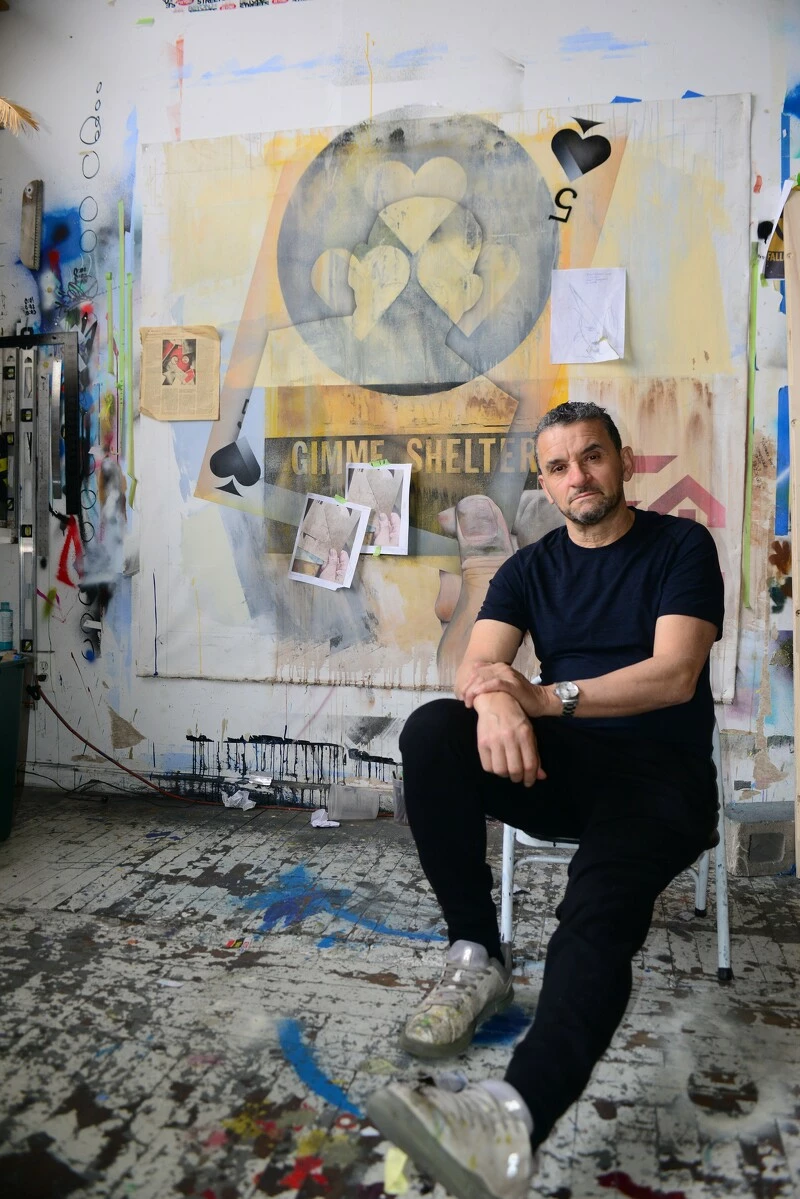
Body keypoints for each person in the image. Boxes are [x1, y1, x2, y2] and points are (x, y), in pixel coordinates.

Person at [366, 401, 724, 1199]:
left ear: (624, 461)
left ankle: (512, 1116)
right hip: (561, 773)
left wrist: (542, 696)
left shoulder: (681, 546)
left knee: (595, 909)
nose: (578, 477)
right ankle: (477, 955)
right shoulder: (530, 567)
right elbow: (478, 666)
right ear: (545, 483)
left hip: (660, 780)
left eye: (591, 457)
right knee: (433, 733)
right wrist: (496, 700)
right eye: (559, 467)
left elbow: (674, 673)